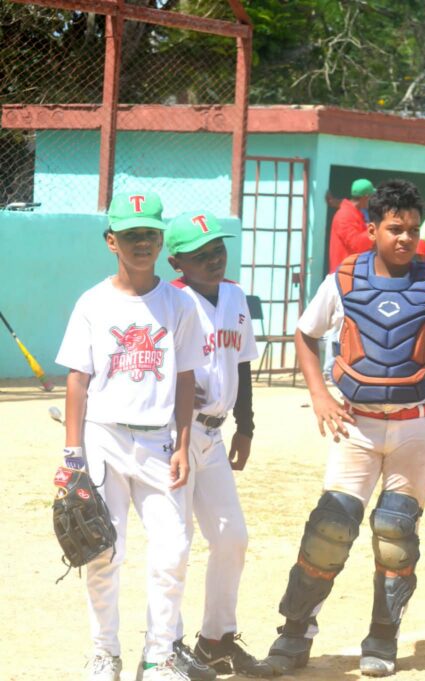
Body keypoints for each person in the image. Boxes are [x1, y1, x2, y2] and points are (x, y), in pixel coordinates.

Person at [264, 180, 425, 678]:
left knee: (395, 533)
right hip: (358, 423)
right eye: (395, 228)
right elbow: (306, 334)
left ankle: (382, 636)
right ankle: (294, 632)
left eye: (413, 229)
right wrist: (319, 395)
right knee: (330, 529)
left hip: (419, 424)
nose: (406, 238)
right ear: (372, 229)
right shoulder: (343, 280)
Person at [57, 191, 207, 681]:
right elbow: (77, 380)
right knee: (103, 549)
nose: (142, 242)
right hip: (104, 439)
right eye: (130, 234)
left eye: (150, 233)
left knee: (173, 550)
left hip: (160, 442)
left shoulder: (178, 304)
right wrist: (72, 455)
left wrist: (183, 443)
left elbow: (185, 378)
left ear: (161, 240)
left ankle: (159, 655)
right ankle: (105, 652)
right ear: (111, 241)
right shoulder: (93, 303)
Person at [164, 211, 275, 678]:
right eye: (200, 254)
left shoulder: (234, 295)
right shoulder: (169, 300)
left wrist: (246, 427)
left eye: (218, 249)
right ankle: (166, 646)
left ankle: (215, 640)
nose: (214, 258)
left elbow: (242, 364)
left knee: (231, 537)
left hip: (214, 433)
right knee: (175, 544)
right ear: (176, 261)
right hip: (174, 434)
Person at [328, 178, 375, 272]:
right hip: (343, 274)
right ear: (365, 197)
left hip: (352, 272)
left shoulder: (354, 213)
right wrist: (375, 230)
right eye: (371, 196)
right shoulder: (345, 215)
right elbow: (356, 245)